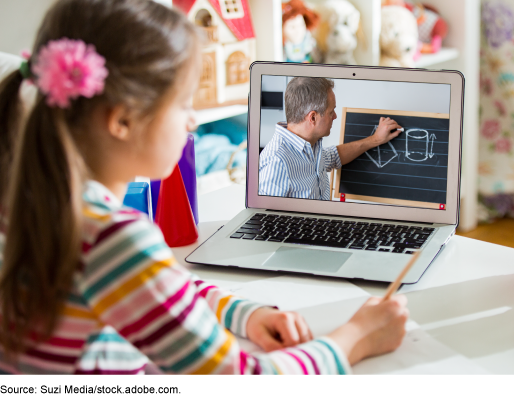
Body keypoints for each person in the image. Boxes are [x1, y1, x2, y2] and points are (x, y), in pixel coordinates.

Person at [0, 0, 408, 374]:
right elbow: (246, 381)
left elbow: (160, 288)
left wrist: (243, 314)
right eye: (183, 104)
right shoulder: (113, 237)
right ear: (121, 120)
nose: (193, 121)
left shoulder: (32, 204)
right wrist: (356, 337)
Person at [259, 77, 402, 200]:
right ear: (313, 117)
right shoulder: (277, 163)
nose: (335, 116)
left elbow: (334, 156)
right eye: (331, 111)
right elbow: (265, 223)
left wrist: (375, 139)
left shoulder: (310, 145)